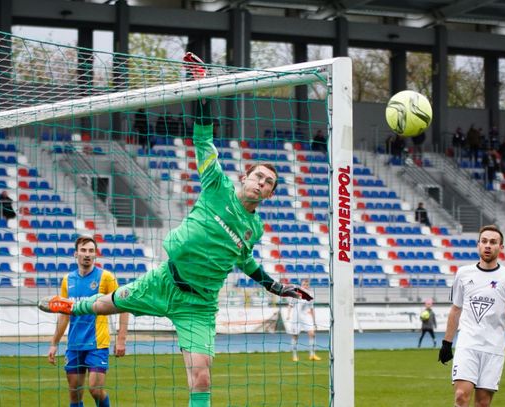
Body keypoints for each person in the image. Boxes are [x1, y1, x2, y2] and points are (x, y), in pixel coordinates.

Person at [38, 52, 312, 407]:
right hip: (165, 280)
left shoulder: (254, 229)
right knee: (106, 304)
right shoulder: (216, 185)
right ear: (244, 176)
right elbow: (204, 138)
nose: (262, 182)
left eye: (269, 183)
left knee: (201, 376)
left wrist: (273, 285)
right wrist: (202, 89)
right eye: (258, 176)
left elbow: (244, 260)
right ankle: (71, 305)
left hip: (199, 305)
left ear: (270, 194)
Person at [438, 225, 505, 407]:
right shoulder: (463, 273)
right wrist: (446, 343)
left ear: (500, 247)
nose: (488, 245)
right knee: (460, 396)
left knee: (482, 403)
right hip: (467, 345)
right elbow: (455, 310)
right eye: (484, 241)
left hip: (493, 348)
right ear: (478, 245)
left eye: (493, 242)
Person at [48, 235, 128, 407]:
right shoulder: (67, 280)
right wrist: (54, 343)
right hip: (74, 345)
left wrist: (121, 340)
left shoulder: (106, 277)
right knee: (75, 395)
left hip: (97, 344)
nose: (87, 254)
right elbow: (64, 314)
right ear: (75, 254)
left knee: (95, 389)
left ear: (95, 254)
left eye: (91, 251)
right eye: (83, 250)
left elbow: (124, 306)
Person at [285, 278, 321, 362]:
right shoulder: (296, 293)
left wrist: (314, 321)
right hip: (296, 317)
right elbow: (290, 305)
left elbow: (311, 308)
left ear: (309, 286)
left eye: (307, 285)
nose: (305, 286)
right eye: (304, 284)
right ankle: (294, 356)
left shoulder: (310, 295)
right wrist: (288, 315)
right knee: (295, 336)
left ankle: (312, 355)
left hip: (305, 317)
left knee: (312, 334)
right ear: (301, 285)